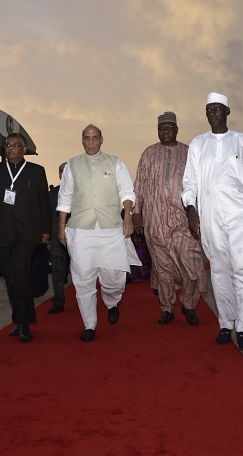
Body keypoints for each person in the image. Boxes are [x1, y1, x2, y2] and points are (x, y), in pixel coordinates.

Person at [182, 92, 243, 352]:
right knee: (220, 271)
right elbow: (189, 182)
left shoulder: (241, 141)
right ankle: (226, 323)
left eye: (218, 109)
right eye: (209, 109)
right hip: (210, 218)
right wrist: (190, 209)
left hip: (241, 215)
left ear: (227, 112)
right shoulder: (198, 143)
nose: (213, 113)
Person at [57, 124, 141, 342]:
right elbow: (65, 197)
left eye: (95, 138)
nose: (91, 142)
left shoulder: (115, 163)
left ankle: (111, 301)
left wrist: (128, 215)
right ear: (82, 140)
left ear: (102, 140)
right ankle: (90, 324)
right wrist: (61, 226)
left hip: (111, 229)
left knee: (115, 279)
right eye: (87, 138)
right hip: (80, 230)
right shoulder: (72, 165)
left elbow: (127, 191)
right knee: (83, 279)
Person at [0, 133, 51, 342]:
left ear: (24, 149)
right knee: (10, 277)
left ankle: (24, 323)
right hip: (2, 232)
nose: (11, 148)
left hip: (28, 232)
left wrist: (46, 229)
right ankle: (18, 318)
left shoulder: (36, 171)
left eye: (16, 145)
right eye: (8, 145)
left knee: (19, 272)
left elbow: (44, 202)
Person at [133, 112, 207, 325]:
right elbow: (139, 185)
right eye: (161, 128)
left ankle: (189, 305)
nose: (165, 131)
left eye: (169, 127)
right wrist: (137, 212)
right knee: (163, 266)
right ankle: (167, 307)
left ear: (176, 130)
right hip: (155, 220)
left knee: (191, 262)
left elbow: (200, 185)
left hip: (183, 219)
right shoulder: (148, 153)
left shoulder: (189, 152)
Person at [47, 162, 70, 313]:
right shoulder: (52, 194)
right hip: (56, 238)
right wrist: (47, 238)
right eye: (61, 171)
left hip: (79, 237)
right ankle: (59, 301)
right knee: (57, 270)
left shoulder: (82, 192)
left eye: (66, 170)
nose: (64, 173)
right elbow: (47, 216)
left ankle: (86, 299)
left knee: (84, 271)